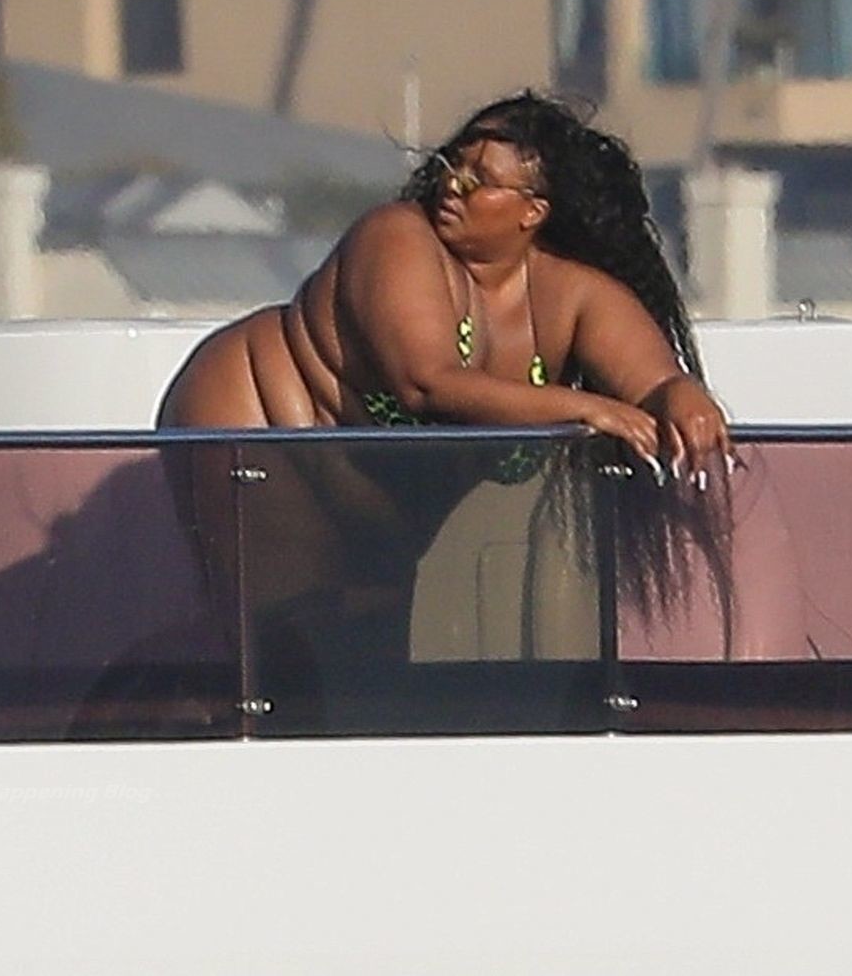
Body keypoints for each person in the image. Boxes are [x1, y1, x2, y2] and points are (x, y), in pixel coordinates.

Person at [159, 91, 735, 671]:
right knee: (293, 652)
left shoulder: (572, 295)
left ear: (532, 212)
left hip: (373, 485)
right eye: (452, 164)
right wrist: (587, 409)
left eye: (480, 179)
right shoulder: (397, 236)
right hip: (260, 426)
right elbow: (426, 383)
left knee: (383, 651)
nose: (452, 185)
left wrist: (683, 399)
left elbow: (655, 382)